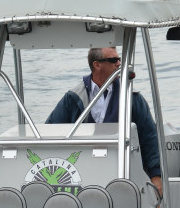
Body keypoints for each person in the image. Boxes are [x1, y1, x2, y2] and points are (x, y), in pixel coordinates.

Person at [46, 47, 162, 195]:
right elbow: (50, 132)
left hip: (123, 174)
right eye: (113, 60)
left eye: (119, 59)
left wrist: (156, 176)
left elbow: (149, 138)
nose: (119, 63)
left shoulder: (132, 99)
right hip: (81, 176)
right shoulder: (72, 98)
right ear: (97, 65)